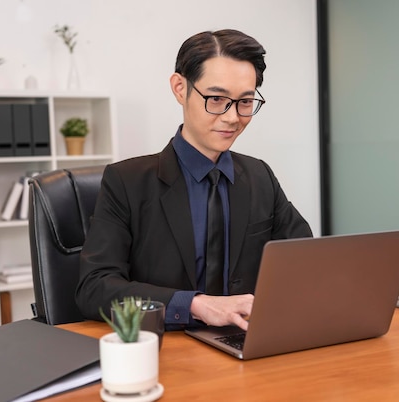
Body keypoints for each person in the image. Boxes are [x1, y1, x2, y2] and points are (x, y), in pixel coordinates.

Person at [76, 29, 313, 331]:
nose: (232, 117)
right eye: (216, 99)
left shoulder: (259, 176)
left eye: (245, 101)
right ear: (179, 88)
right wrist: (195, 304)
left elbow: (304, 260)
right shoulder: (126, 182)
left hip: (247, 342)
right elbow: (94, 288)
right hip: (170, 350)